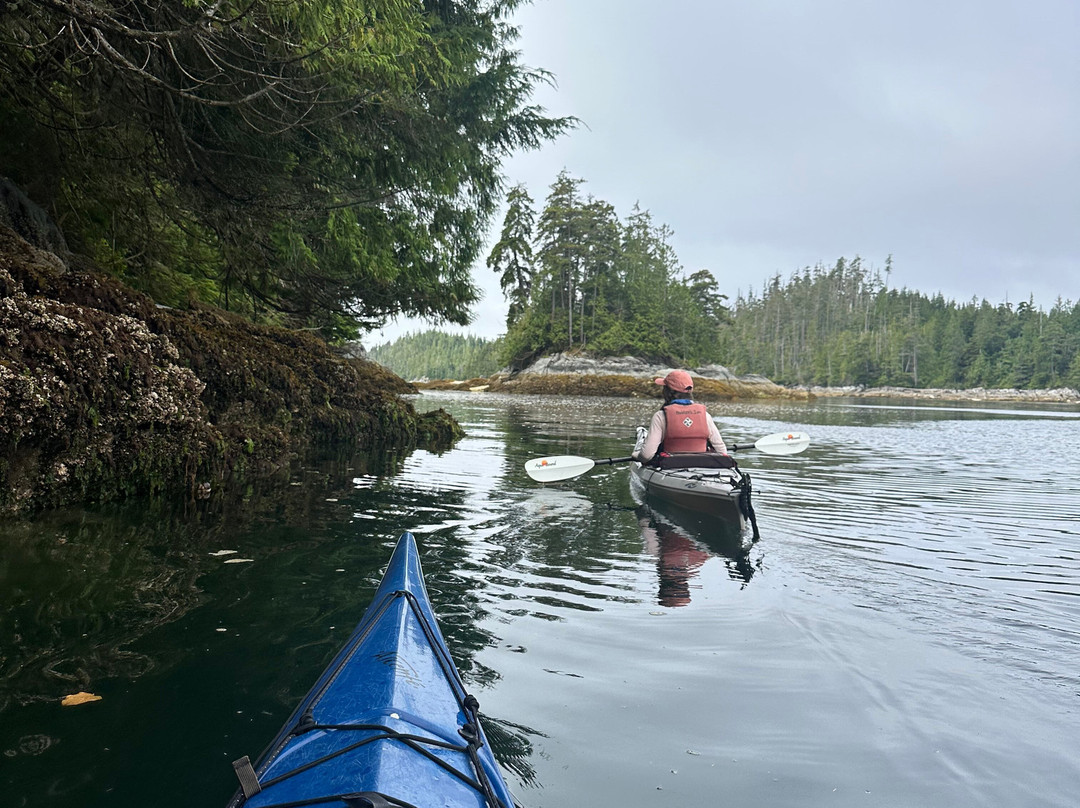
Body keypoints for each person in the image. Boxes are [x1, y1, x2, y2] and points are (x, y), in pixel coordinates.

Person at [634, 370, 727, 462]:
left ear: (667, 391)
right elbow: (722, 451)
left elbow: (646, 456)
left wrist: (636, 455)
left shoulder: (660, 416)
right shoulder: (705, 416)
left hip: (669, 466)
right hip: (702, 466)